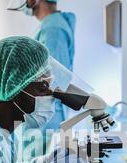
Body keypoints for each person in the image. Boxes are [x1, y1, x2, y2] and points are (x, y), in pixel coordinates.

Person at [8, 0, 76, 131]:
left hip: (47, 114)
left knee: (44, 150)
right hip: (45, 112)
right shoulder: (51, 24)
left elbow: (52, 78)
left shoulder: (53, 28)